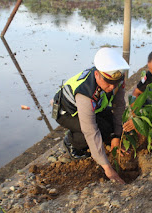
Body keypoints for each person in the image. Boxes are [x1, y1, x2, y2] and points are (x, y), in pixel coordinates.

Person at [52, 48, 129, 184]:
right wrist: (107, 167)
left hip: (96, 107)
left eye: (115, 84)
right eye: (108, 83)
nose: (112, 87)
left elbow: (119, 108)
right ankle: (71, 142)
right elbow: (90, 130)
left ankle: (106, 139)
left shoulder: (118, 79)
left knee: (111, 125)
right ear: (97, 75)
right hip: (67, 113)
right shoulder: (85, 92)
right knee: (97, 130)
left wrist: (117, 136)